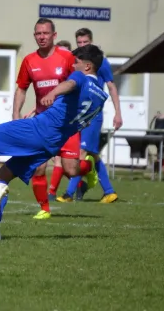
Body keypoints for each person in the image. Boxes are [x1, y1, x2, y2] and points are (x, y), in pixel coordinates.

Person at [0, 44, 108, 240]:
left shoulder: (80, 77)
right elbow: (81, 119)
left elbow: (70, 84)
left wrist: (53, 93)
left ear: (87, 66)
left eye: (75, 63)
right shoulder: (102, 97)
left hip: (40, 129)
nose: (72, 66)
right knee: (4, 175)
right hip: (54, 142)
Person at [12, 18, 89, 220]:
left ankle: (89, 168)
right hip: (43, 123)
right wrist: (15, 115)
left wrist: (85, 112)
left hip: (68, 122)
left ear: (54, 35)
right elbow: (21, 88)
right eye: (38, 33)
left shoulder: (67, 58)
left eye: (46, 33)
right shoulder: (29, 61)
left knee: (71, 170)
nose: (42, 37)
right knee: (38, 167)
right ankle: (44, 209)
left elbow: (81, 84)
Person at [55, 28, 122, 203]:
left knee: (82, 152)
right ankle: (108, 191)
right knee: (91, 154)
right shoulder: (77, 63)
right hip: (79, 113)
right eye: (80, 43)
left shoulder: (102, 63)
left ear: (91, 41)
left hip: (93, 113)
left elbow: (112, 87)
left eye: (86, 42)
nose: (82, 45)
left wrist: (118, 113)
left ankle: (69, 194)